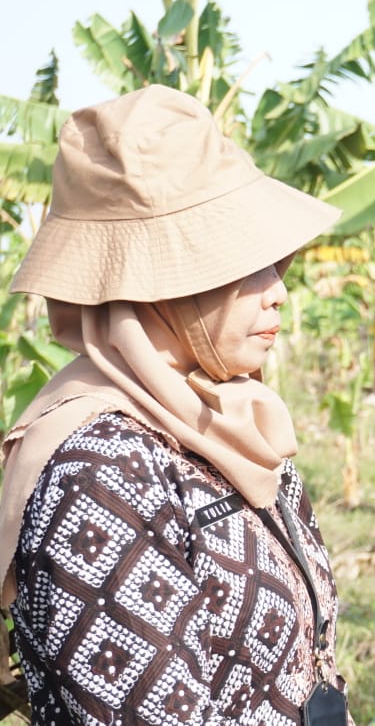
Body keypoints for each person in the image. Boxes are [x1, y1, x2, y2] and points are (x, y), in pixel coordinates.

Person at [0, 85, 351, 724]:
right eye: (244, 265)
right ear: (158, 286)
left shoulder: (221, 413)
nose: (278, 291)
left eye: (276, 263)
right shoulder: (100, 474)